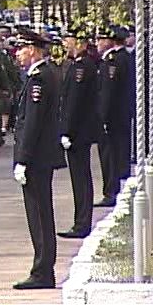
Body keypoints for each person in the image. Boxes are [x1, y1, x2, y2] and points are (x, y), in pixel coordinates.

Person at [12, 29, 65, 290]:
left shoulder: (39, 79)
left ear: (33, 49)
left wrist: (22, 159)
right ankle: (44, 268)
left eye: (21, 48)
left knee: (40, 214)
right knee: (41, 212)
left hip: (37, 158)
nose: (18, 53)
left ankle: (43, 271)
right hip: (41, 156)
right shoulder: (43, 75)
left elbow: (32, 124)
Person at [58, 26, 100, 238]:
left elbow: (73, 103)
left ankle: (82, 223)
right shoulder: (79, 65)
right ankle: (80, 221)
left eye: (68, 39)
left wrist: (66, 130)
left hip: (78, 133)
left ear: (80, 43)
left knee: (81, 178)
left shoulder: (82, 68)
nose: (65, 43)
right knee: (80, 177)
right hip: (79, 131)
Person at [95, 25, 132, 207]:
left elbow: (107, 94)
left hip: (112, 118)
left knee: (110, 156)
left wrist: (101, 118)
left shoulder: (113, 61)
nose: (98, 43)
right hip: (120, 116)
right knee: (117, 154)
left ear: (110, 40)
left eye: (101, 39)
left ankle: (111, 191)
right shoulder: (123, 58)